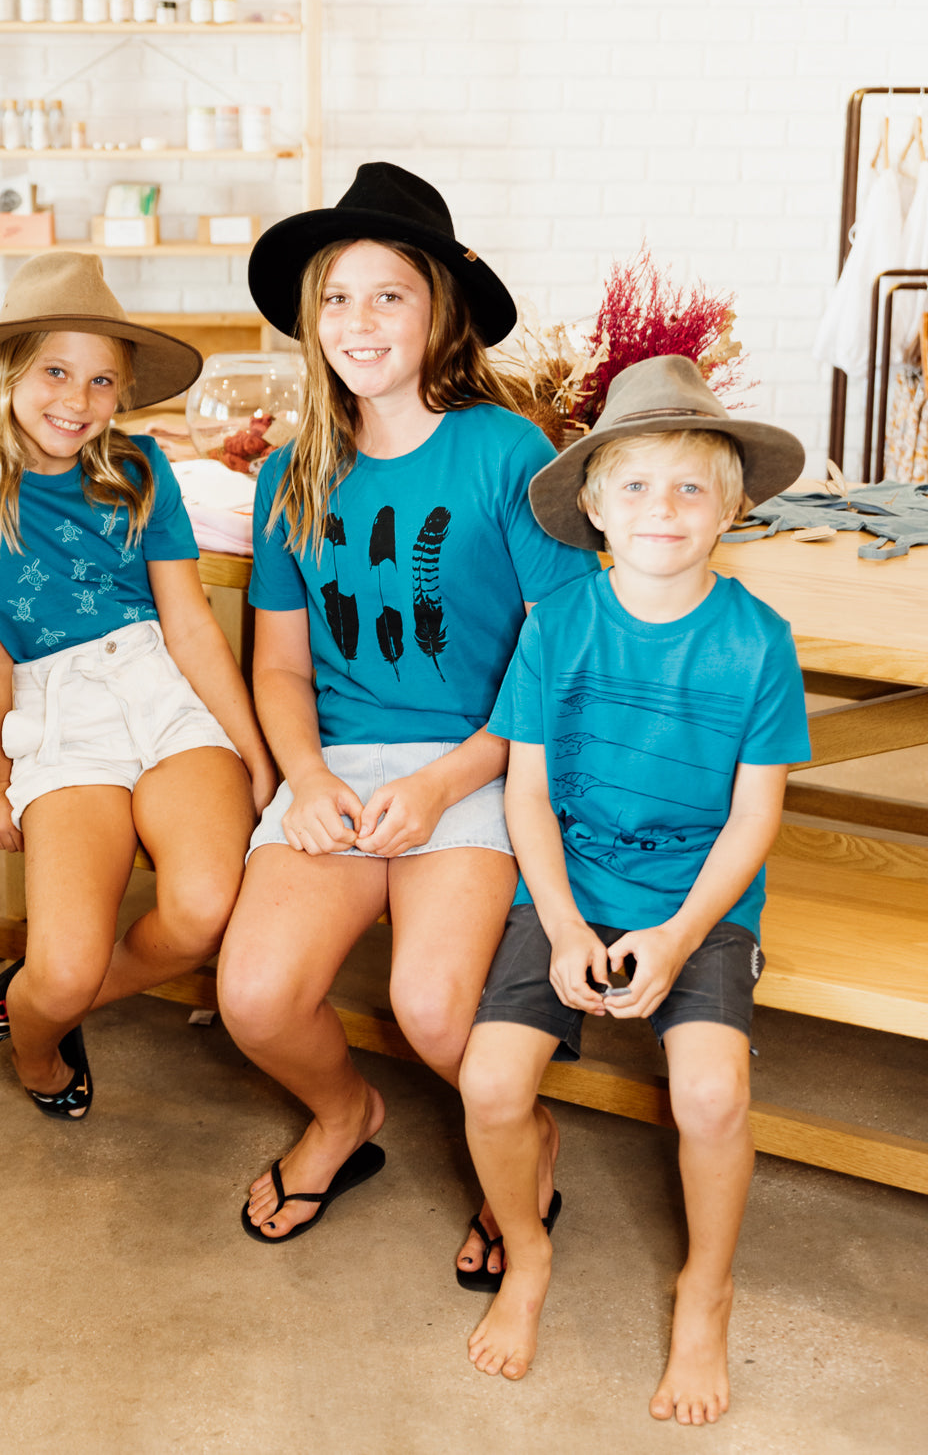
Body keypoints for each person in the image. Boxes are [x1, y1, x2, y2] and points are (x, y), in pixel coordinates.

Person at [215, 163, 597, 1250]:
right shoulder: (291, 471)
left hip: (479, 762)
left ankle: (525, 1136)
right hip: (338, 767)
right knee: (255, 999)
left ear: (441, 312)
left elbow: (555, 655)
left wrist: (445, 780)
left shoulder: (508, 452)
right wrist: (307, 776)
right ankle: (347, 1114)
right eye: (337, 296)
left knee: (435, 1011)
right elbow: (280, 667)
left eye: (389, 294)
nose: (358, 320)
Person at [459, 355, 809, 1421]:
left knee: (710, 1093)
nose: (665, 507)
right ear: (599, 509)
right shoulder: (558, 623)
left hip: (700, 901)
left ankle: (705, 1290)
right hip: (572, 886)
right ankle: (526, 1257)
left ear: (732, 509)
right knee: (488, 1083)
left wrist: (678, 936)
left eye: (692, 487)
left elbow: (754, 816)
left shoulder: (758, 642)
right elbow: (524, 796)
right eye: (639, 486)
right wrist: (562, 928)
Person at [0, 252, 275, 1118]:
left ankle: (26, 1002)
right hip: (56, 710)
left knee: (203, 912)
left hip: (162, 689)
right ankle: (38, 1038)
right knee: (65, 965)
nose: (77, 400)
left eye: (102, 380)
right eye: (55, 371)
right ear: (7, 371)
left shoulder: (141, 467)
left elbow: (189, 625)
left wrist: (258, 756)